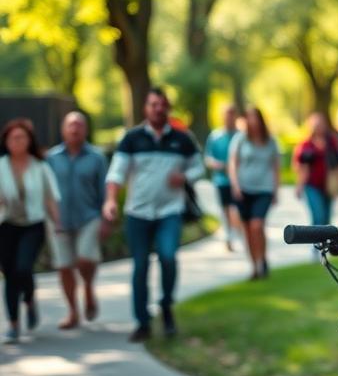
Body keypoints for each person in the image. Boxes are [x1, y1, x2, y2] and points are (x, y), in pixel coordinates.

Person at [103, 87, 205, 342]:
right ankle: (142, 322)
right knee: (140, 267)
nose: (157, 108)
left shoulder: (182, 139)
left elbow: (198, 168)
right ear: (145, 109)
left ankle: (167, 306)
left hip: (170, 211)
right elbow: (116, 173)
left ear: (167, 108)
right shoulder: (132, 139)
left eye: (162, 104)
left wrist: (184, 177)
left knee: (168, 258)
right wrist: (111, 201)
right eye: (152, 104)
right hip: (138, 213)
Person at [0, 118, 60, 344]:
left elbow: (51, 198)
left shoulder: (40, 166)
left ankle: (30, 299)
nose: (17, 141)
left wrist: (58, 223)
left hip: (33, 225)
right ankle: (14, 325)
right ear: (6, 141)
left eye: (22, 137)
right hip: (6, 225)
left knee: (23, 267)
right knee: (9, 274)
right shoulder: (1, 166)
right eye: (13, 137)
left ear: (29, 140)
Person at [46, 111, 108, 330]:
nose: (75, 129)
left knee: (85, 259)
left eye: (79, 125)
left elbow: (104, 190)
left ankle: (88, 288)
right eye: (71, 125)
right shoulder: (51, 159)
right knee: (64, 267)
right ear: (63, 129)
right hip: (59, 220)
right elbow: (46, 192)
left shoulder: (97, 158)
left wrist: (106, 219)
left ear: (86, 129)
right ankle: (73, 311)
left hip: (89, 217)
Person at [228, 106, 280, 280]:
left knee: (257, 225)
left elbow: (275, 166)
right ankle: (254, 266)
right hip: (244, 189)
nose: (252, 121)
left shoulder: (270, 141)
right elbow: (233, 163)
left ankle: (262, 258)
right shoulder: (241, 139)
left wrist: (275, 189)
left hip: (263, 189)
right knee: (247, 229)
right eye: (249, 118)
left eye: (255, 117)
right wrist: (235, 186)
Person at [293, 113, 338, 236]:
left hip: (329, 184)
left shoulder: (332, 142)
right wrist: (299, 186)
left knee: (326, 218)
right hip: (312, 185)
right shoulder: (306, 145)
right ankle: (316, 243)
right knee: (318, 215)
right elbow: (302, 168)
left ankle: (324, 243)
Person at [204, 103, 242, 251]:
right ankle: (228, 237)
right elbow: (208, 158)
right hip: (221, 180)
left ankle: (238, 234)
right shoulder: (215, 136)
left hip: (238, 181)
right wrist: (219, 165)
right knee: (225, 210)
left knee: (236, 210)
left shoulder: (240, 136)